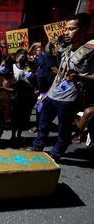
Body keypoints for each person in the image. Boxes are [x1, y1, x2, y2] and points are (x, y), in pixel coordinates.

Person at [32, 13, 94, 161]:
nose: (66, 32)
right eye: (66, 29)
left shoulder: (91, 50)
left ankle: (56, 155)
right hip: (53, 94)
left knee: (63, 130)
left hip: (69, 99)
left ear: (84, 29)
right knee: (43, 125)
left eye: (71, 29)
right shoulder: (67, 48)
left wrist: (80, 77)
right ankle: (37, 148)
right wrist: (47, 94)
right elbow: (59, 73)